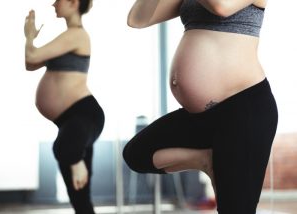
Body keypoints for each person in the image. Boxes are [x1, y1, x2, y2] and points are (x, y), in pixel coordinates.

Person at [123, 0, 278, 213]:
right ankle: (205, 160)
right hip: (201, 117)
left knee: (235, 209)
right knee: (137, 153)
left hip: (243, 109)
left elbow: (221, 7)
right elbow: (137, 19)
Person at [24, 0, 104, 213]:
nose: (53, 4)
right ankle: (75, 159)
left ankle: (75, 159)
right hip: (72, 119)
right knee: (79, 197)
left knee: (64, 149)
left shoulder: (76, 35)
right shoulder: (68, 37)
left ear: (73, 2)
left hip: (84, 115)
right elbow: (30, 64)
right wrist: (30, 38)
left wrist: (30, 35)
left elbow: (31, 55)